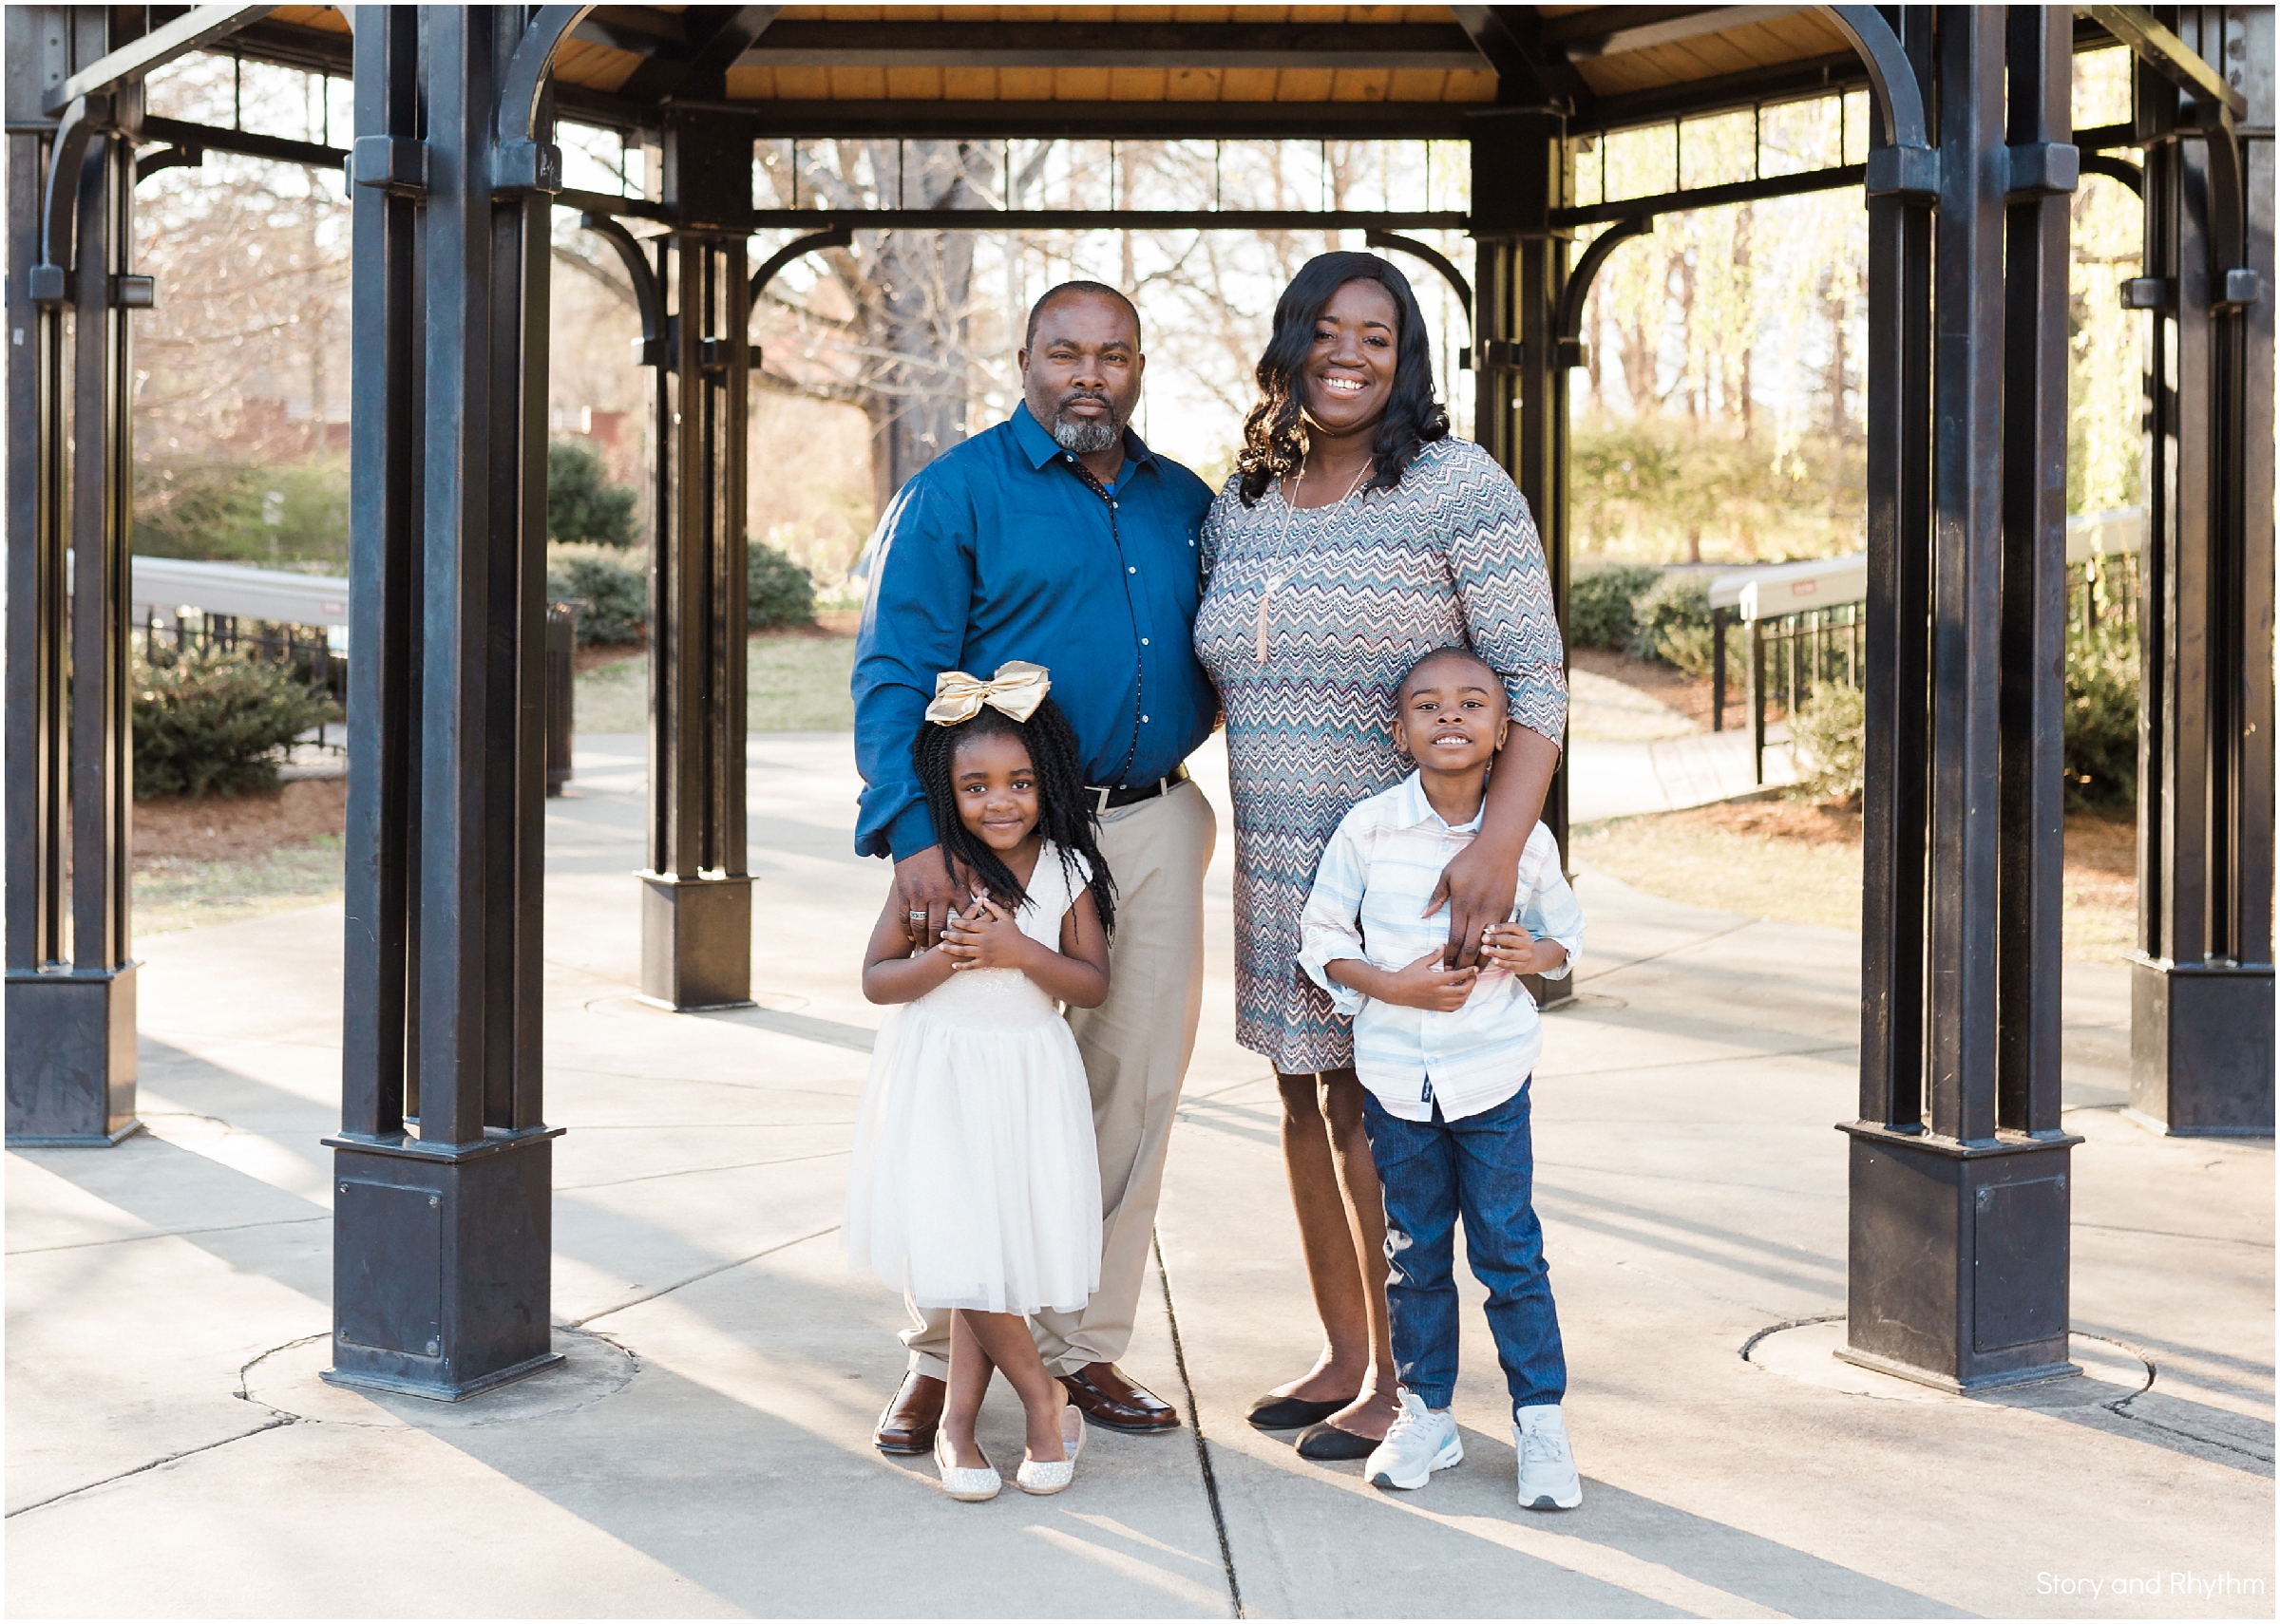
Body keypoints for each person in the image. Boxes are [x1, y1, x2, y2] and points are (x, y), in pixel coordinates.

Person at [1193, 252, 1567, 1460]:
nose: (1348, 355)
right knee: (1304, 1101)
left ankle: (1413, 1382)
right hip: (1278, 853)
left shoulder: (1457, 487)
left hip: (1411, 863)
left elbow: (1538, 682)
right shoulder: (1242, 498)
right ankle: (1348, 1350)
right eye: (1328, 329)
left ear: (1406, 361)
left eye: (1380, 336)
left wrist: (1498, 847)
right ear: (1291, 339)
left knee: (1378, 1113)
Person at [853, 281, 1218, 1452]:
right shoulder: (956, 494)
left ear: (1140, 367)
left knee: (1128, 1095)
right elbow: (892, 670)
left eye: (1113, 355)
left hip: (1149, 824)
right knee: (967, 1099)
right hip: (991, 838)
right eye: (1066, 353)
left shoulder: (1186, 503)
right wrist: (915, 835)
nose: (1089, 376)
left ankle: (1078, 1346)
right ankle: (934, 1351)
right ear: (1024, 360)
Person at [1297, 647, 1586, 1509]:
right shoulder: (1369, 828)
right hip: (1394, 1080)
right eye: (1427, 705)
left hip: (1490, 1079)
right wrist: (1393, 985)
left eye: (1471, 704)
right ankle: (1427, 1413)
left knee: (1509, 1252)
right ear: (1400, 730)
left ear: (1503, 731)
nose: (1450, 716)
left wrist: (1529, 953)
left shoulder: (1522, 839)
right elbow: (1322, 936)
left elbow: (1563, 940)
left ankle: (1541, 1419)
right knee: (1414, 1254)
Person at [847, 664, 1116, 1501]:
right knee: (965, 1243)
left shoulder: (1069, 871)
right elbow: (876, 979)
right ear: (945, 790)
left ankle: (960, 1426)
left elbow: (1091, 983)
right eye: (976, 786)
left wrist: (1018, 952)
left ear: (1048, 782)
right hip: (944, 1075)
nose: (1001, 802)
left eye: (1020, 783)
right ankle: (1042, 1400)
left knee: (986, 1251)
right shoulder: (933, 875)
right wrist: (942, 959)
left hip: (1028, 1077)